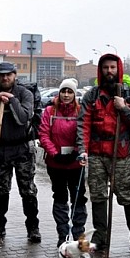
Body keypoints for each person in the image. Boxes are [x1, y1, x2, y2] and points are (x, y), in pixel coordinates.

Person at [77, 53, 130, 256]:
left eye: (113, 68)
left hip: (121, 153)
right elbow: (83, 124)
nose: (109, 71)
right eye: (106, 68)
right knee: (98, 195)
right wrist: (83, 149)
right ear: (101, 70)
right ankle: (101, 235)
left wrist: (123, 108)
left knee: (127, 196)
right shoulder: (92, 95)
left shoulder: (129, 94)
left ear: (119, 70)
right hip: (97, 154)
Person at [0, 62, 41, 243]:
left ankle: (33, 226)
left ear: (14, 75)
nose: (5, 78)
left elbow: (22, 118)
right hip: (0, 148)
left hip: (23, 149)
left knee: (27, 190)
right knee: (1, 189)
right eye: (1, 75)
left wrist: (11, 100)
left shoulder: (25, 93)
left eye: (9, 75)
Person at [38, 78, 88, 246]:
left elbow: (85, 132)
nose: (66, 95)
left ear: (75, 94)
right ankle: (63, 235)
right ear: (59, 93)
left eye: (70, 92)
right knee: (60, 198)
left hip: (75, 164)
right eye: (64, 91)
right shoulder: (50, 111)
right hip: (56, 164)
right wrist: (54, 153)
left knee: (78, 198)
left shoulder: (81, 111)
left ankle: (78, 234)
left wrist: (76, 151)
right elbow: (43, 134)